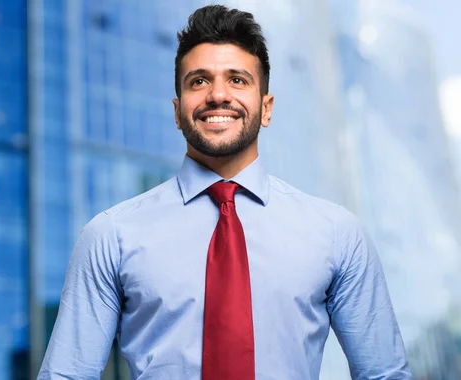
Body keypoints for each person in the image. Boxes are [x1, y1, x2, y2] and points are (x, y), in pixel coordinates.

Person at [38, 5, 412, 380]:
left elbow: (384, 374)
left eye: (238, 80)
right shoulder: (110, 236)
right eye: (198, 81)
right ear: (177, 110)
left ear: (266, 108)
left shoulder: (337, 234)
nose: (218, 95)